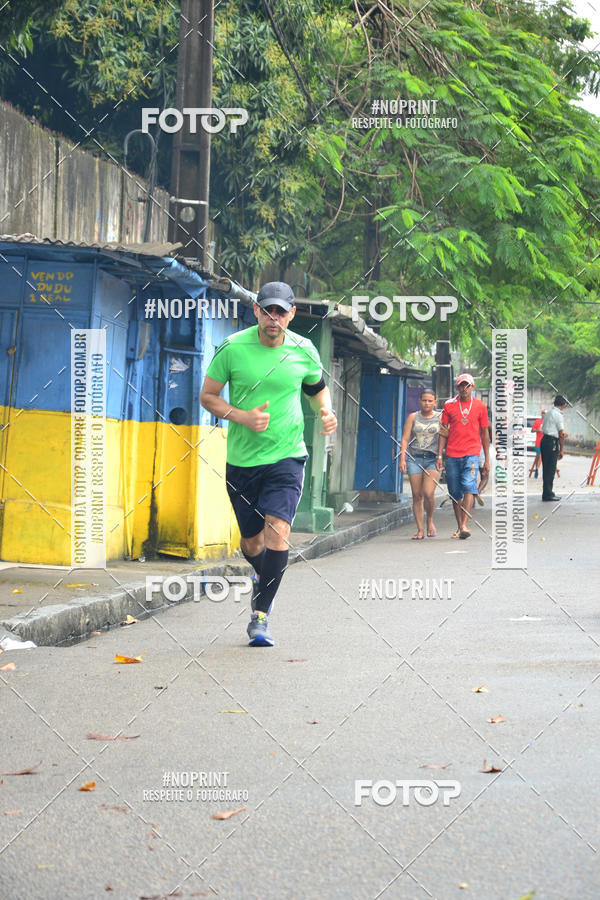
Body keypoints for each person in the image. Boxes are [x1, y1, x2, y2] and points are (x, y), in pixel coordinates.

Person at [200, 282, 338, 647]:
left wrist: (325, 411)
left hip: (287, 455)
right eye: (267, 310)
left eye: (280, 311)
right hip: (242, 461)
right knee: (251, 544)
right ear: (256, 311)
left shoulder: (303, 349)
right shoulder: (233, 348)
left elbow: (316, 389)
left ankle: (260, 616)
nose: (273, 318)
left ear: (292, 314)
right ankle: (265, 580)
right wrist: (242, 416)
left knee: (278, 529)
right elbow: (208, 397)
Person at [436, 373, 490, 539]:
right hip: (452, 454)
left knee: (468, 485)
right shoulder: (449, 405)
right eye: (461, 385)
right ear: (457, 387)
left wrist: (487, 460)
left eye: (467, 385)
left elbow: (484, 433)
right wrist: (439, 456)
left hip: (472, 453)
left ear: (473, 387)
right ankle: (460, 527)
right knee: (455, 492)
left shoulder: (480, 406)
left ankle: (465, 525)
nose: (464, 389)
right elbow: (443, 431)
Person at [399, 389, 441, 539]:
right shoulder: (413, 417)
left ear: (435, 402)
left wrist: (441, 456)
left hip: (432, 459)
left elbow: (445, 436)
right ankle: (420, 529)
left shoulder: (440, 417)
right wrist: (402, 459)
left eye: (430, 401)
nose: (427, 403)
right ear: (419, 401)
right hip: (414, 459)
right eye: (424, 400)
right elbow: (405, 438)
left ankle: (429, 520)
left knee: (428, 493)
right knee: (417, 495)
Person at [540, 395, 568, 501]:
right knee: (551, 468)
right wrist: (561, 449)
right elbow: (561, 434)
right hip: (552, 442)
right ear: (563, 404)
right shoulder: (558, 415)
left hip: (544, 440)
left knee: (546, 468)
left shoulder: (548, 413)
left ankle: (546, 492)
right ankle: (548, 494)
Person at [529, 410, 546, 478]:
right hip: (538, 442)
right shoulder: (537, 421)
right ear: (541, 414)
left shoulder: (549, 422)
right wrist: (537, 429)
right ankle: (537, 469)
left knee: (545, 457)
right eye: (543, 413)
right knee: (539, 455)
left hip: (547, 443)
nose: (544, 414)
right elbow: (532, 430)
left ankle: (545, 471)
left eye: (545, 413)